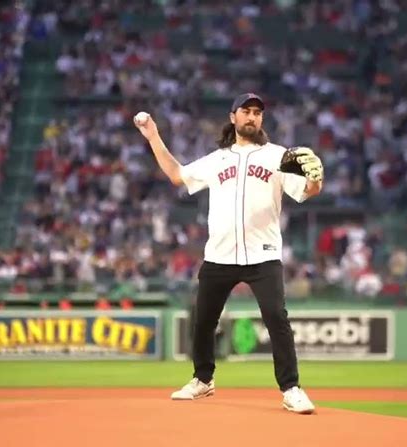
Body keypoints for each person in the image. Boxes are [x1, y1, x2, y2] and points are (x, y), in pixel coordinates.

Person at [134, 93, 323, 414]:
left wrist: (316, 180)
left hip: (263, 254)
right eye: (246, 111)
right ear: (233, 117)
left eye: (257, 113)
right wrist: (153, 136)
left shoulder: (280, 157)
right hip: (220, 254)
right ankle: (202, 379)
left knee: (277, 319)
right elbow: (177, 175)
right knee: (204, 320)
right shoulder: (217, 159)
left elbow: (305, 191)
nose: (252, 117)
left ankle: (291, 389)